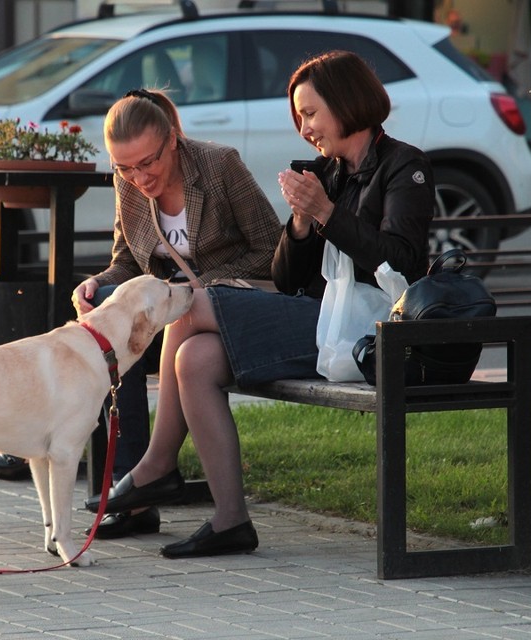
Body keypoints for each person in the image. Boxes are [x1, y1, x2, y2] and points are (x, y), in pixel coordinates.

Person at [84, 50, 433, 558]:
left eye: (310, 113)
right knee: (193, 360)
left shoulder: (405, 166)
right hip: (318, 318)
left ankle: (156, 466)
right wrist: (299, 225)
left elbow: (401, 264)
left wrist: (327, 214)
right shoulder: (327, 172)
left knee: (185, 309)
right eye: (299, 116)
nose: (304, 127)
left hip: (372, 329)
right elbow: (287, 278)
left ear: (346, 102)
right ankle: (231, 521)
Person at [0, 88, 283, 539]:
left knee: (168, 320)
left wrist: (200, 286)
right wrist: (99, 283)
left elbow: (271, 250)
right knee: (106, 325)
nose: (138, 177)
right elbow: (129, 262)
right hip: (175, 304)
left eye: (148, 163)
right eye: (124, 167)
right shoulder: (130, 183)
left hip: (240, 297)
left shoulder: (219, 166)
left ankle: (150, 474)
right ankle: (135, 493)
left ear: (172, 140)